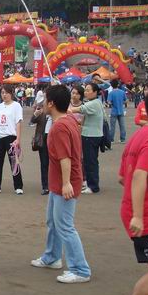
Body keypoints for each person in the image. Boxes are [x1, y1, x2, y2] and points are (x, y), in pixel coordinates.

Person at [31, 85, 91, 284]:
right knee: (53, 221)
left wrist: (66, 183)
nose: (42, 104)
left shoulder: (60, 126)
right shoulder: (68, 120)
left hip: (66, 182)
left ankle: (80, 269)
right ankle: (52, 257)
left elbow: (65, 158)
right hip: (58, 181)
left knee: (65, 226)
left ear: (51, 103)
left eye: (45, 100)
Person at [111, 90, 148, 295]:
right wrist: (138, 214)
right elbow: (138, 176)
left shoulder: (139, 135)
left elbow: (122, 177)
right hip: (146, 214)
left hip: (140, 209)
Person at [70, 83, 104, 194]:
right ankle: (90, 183)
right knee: (91, 161)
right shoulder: (96, 102)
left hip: (91, 136)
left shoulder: (93, 103)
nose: (86, 92)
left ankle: (93, 186)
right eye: (85, 90)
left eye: (88, 90)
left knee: (90, 162)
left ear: (95, 92)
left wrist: (67, 110)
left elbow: (79, 109)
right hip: (93, 134)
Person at [0, 85, 24, 195]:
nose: (4, 95)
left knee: (14, 162)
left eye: (6, 93)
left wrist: (18, 139)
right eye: (2, 93)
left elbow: (18, 123)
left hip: (11, 137)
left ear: (11, 93)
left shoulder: (16, 106)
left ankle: (18, 186)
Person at [30, 96, 52, 196]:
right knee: (44, 164)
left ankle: (53, 184)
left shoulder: (56, 115)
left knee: (54, 164)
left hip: (54, 140)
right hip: (43, 141)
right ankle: (45, 186)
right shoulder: (42, 114)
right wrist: (35, 113)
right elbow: (32, 121)